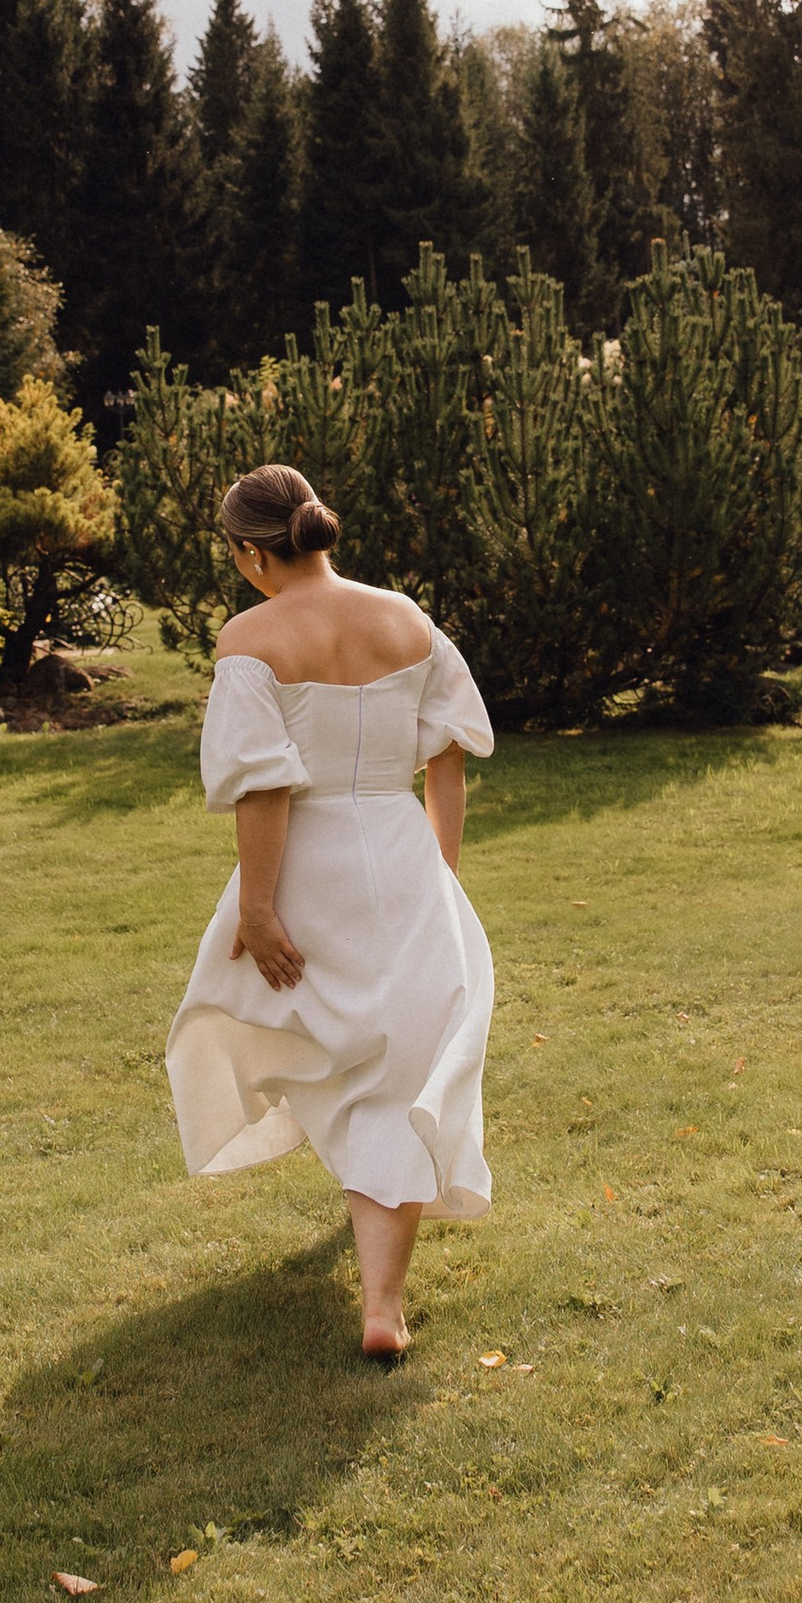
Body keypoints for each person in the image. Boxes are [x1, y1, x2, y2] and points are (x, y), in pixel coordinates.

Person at [166, 464, 494, 1359]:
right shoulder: (406, 619)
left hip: (307, 867)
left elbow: (261, 786)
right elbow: (449, 759)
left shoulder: (249, 637)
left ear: (247, 551)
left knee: (268, 1028)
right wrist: (440, 880)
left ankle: (378, 1279)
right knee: (393, 1061)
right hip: (399, 852)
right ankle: (382, 1296)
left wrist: (261, 908)